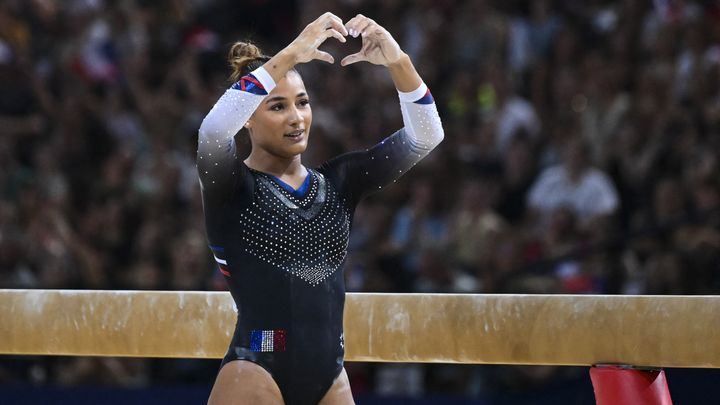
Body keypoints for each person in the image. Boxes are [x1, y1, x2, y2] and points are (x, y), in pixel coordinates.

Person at [198, 12, 444, 405]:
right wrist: (291, 54)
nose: (296, 118)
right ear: (247, 118)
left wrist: (399, 63)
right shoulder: (230, 187)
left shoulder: (340, 181)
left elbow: (427, 135)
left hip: (331, 378)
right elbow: (211, 131)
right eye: (277, 107)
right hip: (257, 368)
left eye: (302, 103)